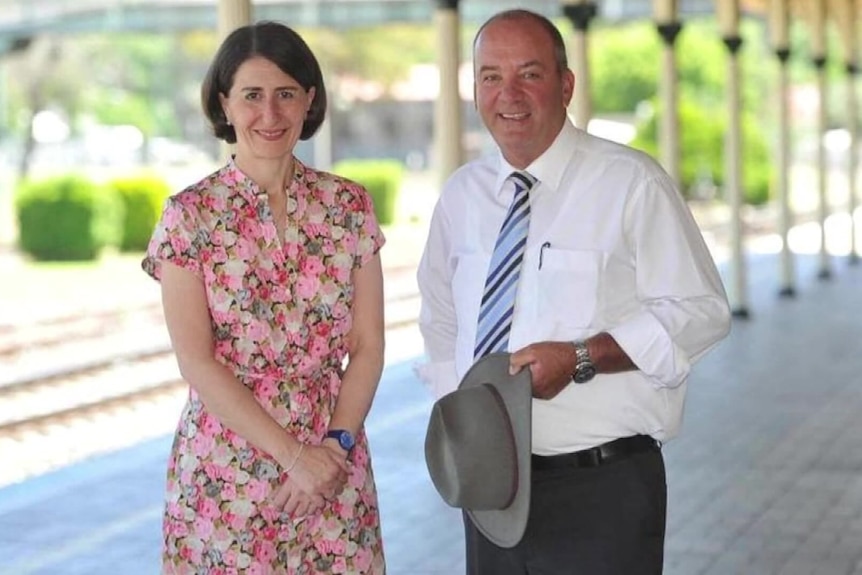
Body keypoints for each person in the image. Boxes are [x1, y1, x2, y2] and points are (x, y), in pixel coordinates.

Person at [417, 8, 731, 574]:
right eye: (491, 76)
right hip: (494, 491)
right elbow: (441, 321)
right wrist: (462, 429)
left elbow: (702, 311)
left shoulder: (631, 182)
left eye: (529, 74)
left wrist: (583, 357)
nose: (508, 93)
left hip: (602, 488)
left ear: (566, 84)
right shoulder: (461, 197)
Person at [142, 21, 386, 574]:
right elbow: (196, 361)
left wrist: (334, 450)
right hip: (225, 472)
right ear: (224, 104)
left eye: (285, 94)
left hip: (334, 468)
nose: (270, 114)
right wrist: (294, 457)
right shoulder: (189, 216)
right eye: (252, 95)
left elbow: (369, 346)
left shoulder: (350, 206)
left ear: (310, 101)